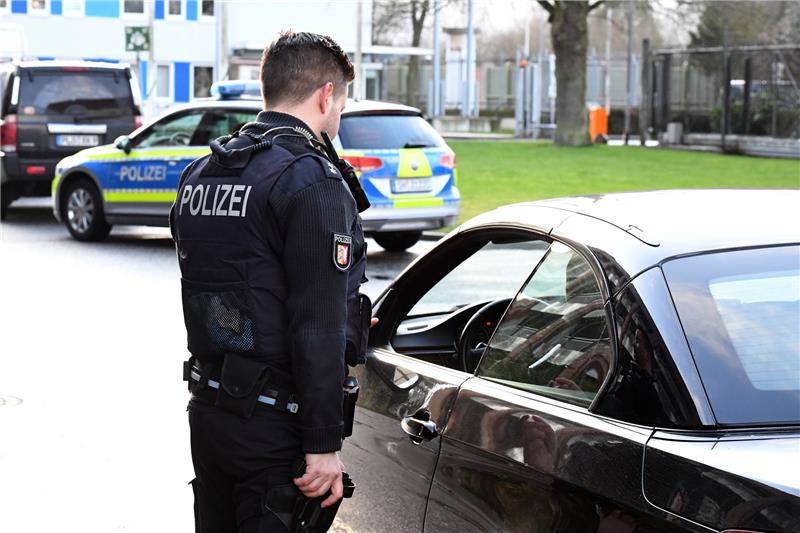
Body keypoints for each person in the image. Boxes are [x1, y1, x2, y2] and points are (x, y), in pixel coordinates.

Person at [170, 31, 370, 532]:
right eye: (341, 103)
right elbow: (320, 323)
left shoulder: (204, 172)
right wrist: (324, 444)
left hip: (209, 412)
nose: (339, 116)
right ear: (327, 95)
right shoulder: (312, 181)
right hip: (273, 427)